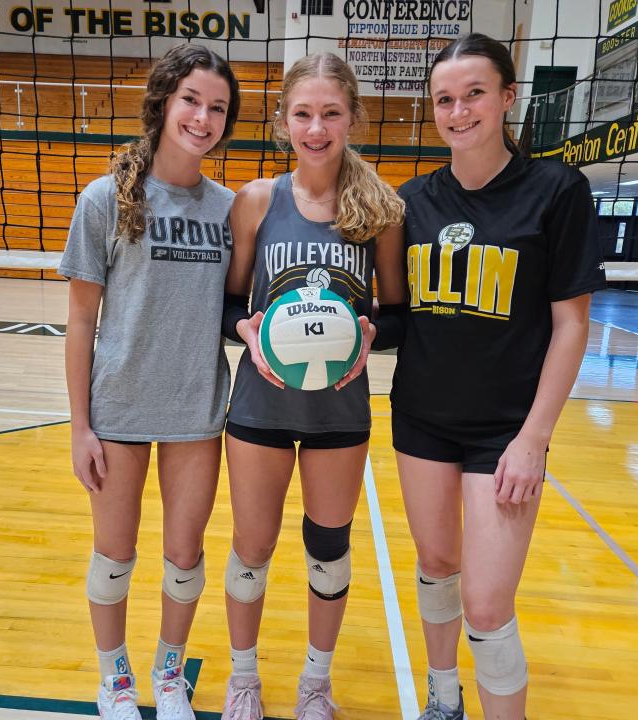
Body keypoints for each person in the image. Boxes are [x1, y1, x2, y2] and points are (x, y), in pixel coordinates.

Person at [392, 33, 607, 720]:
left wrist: (533, 439)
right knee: (435, 568)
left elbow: (571, 325)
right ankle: (443, 693)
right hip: (420, 419)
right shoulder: (411, 202)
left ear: (508, 97)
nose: (459, 111)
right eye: (445, 100)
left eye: (475, 94)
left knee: (486, 603)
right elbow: (399, 315)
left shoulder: (556, 191)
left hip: (505, 432)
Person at [217, 52, 407, 720]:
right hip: (261, 405)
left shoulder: (381, 207)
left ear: (352, 116)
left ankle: (315, 685)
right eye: (303, 113)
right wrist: (247, 332)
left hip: (340, 413)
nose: (317, 128)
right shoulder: (255, 202)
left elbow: (399, 315)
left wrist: (366, 339)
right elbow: (229, 306)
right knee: (252, 547)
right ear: (283, 121)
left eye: (331, 113)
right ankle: (244, 680)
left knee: (329, 550)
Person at [59, 44, 240, 720]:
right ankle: (115, 680)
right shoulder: (104, 200)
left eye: (217, 107)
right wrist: (79, 428)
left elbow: (235, 308)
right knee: (114, 555)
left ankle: (169, 676)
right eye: (192, 100)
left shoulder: (231, 209)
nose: (203, 116)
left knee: (185, 554)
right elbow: (80, 322)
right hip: (119, 409)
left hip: (197, 407)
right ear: (164, 101)